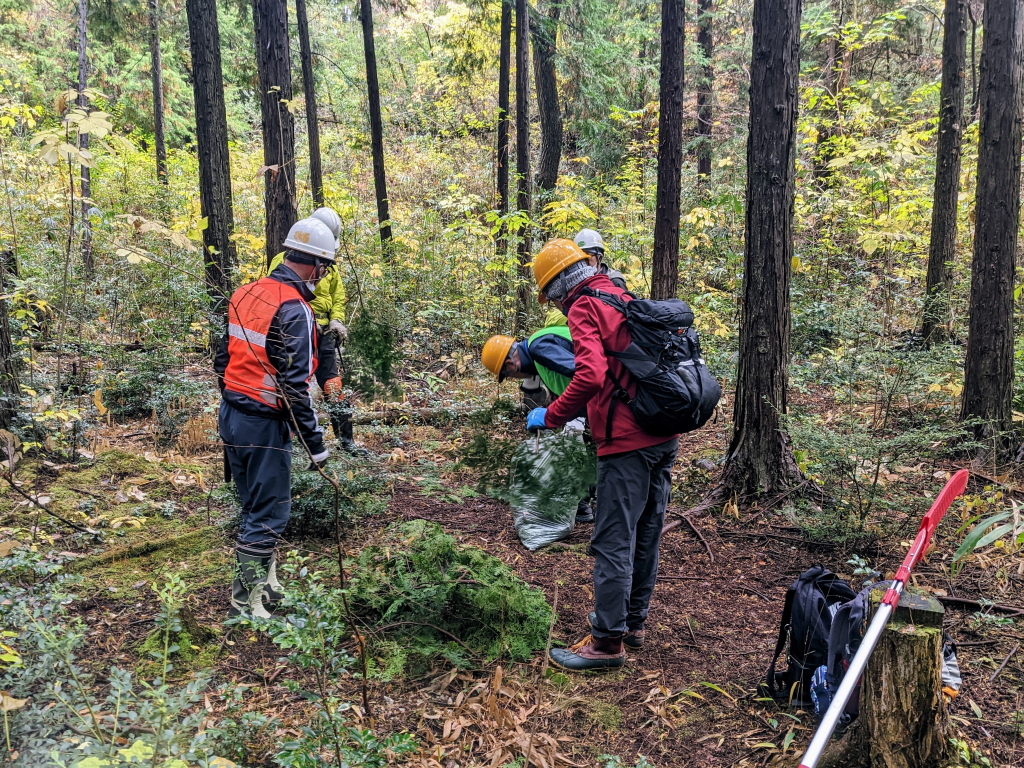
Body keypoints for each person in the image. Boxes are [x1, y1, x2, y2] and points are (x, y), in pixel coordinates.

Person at [526, 238, 680, 671]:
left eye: (550, 296)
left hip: (627, 441)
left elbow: (590, 374)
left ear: (558, 287)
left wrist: (553, 415)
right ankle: (632, 623)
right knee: (647, 532)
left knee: (613, 539)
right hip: (662, 432)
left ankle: (607, 644)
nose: (554, 305)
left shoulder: (583, 305)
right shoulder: (618, 292)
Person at [215, 217, 334, 620]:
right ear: (316, 266)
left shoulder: (245, 292)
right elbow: (294, 386)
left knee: (254, 506)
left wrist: (234, 401)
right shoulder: (294, 308)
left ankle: (266, 585)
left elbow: (222, 359)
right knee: (270, 513)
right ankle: (243, 605)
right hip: (264, 423)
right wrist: (316, 446)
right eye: (325, 269)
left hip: (232, 413)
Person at [268, 207, 366, 455]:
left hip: (323, 333)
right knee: (291, 384)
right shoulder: (282, 261)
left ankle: (347, 442)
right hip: (295, 330)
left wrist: (337, 321)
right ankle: (290, 442)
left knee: (333, 385)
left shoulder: (330, 268)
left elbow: (338, 297)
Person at [480, 321, 595, 523]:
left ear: (510, 365)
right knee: (584, 451)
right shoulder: (540, 359)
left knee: (605, 460)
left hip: (616, 403)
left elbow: (587, 375)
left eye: (509, 376)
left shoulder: (540, 346)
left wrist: (552, 414)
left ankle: (605, 521)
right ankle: (582, 504)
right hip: (599, 407)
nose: (516, 378)